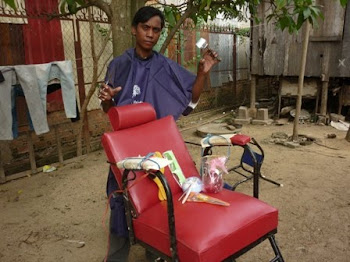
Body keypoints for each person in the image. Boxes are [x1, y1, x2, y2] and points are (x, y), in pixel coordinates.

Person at [99, 6, 220, 262]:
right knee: (121, 201)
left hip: (156, 143)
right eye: (145, 28)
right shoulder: (119, 65)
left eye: (156, 30)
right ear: (134, 29)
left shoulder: (165, 66)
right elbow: (109, 110)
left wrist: (201, 74)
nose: (150, 34)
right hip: (125, 144)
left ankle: (156, 249)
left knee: (160, 196)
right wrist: (108, 100)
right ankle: (117, 257)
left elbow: (190, 101)